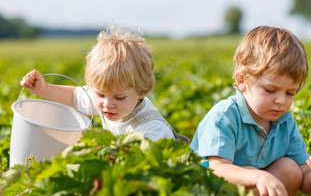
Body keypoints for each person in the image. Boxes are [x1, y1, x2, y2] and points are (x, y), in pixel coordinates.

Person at [190, 25, 311, 196]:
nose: (281, 101)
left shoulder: (285, 122)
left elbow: (305, 183)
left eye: (290, 93)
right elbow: (218, 170)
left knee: (290, 169)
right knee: (248, 176)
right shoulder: (223, 117)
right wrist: (258, 176)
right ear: (242, 81)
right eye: (270, 90)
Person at [20, 24, 189, 143]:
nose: (107, 104)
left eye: (119, 97)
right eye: (100, 94)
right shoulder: (109, 102)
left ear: (142, 91)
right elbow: (74, 97)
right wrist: (44, 89)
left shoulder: (150, 130)